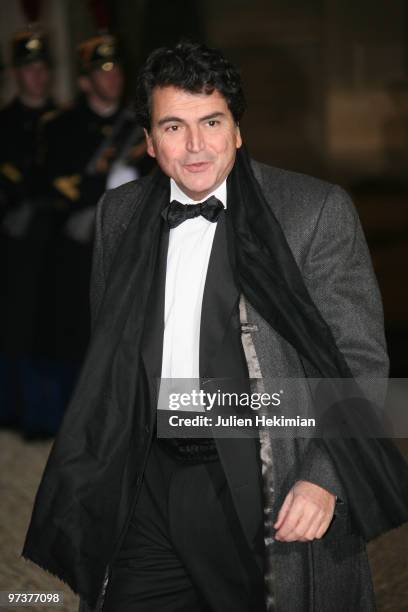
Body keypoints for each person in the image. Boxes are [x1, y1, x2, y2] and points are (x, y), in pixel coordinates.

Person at [22, 42, 408, 611]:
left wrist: (325, 476)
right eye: (174, 126)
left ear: (237, 130)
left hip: (261, 476)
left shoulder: (313, 210)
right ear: (150, 142)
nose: (197, 145)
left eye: (212, 122)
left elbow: (361, 359)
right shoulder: (119, 213)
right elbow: (113, 349)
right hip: (147, 483)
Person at [40, 33, 148, 410]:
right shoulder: (61, 126)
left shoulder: (142, 121)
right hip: (81, 249)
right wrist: (107, 182)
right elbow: (55, 185)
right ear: (85, 81)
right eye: (103, 70)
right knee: (79, 336)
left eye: (117, 68)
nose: (113, 76)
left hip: (135, 246)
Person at [0, 30, 57, 435]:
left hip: (55, 244)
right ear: (16, 74)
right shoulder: (3, 125)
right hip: (11, 247)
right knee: (14, 326)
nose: (35, 76)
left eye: (41, 68)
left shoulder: (66, 121)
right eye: (27, 69)